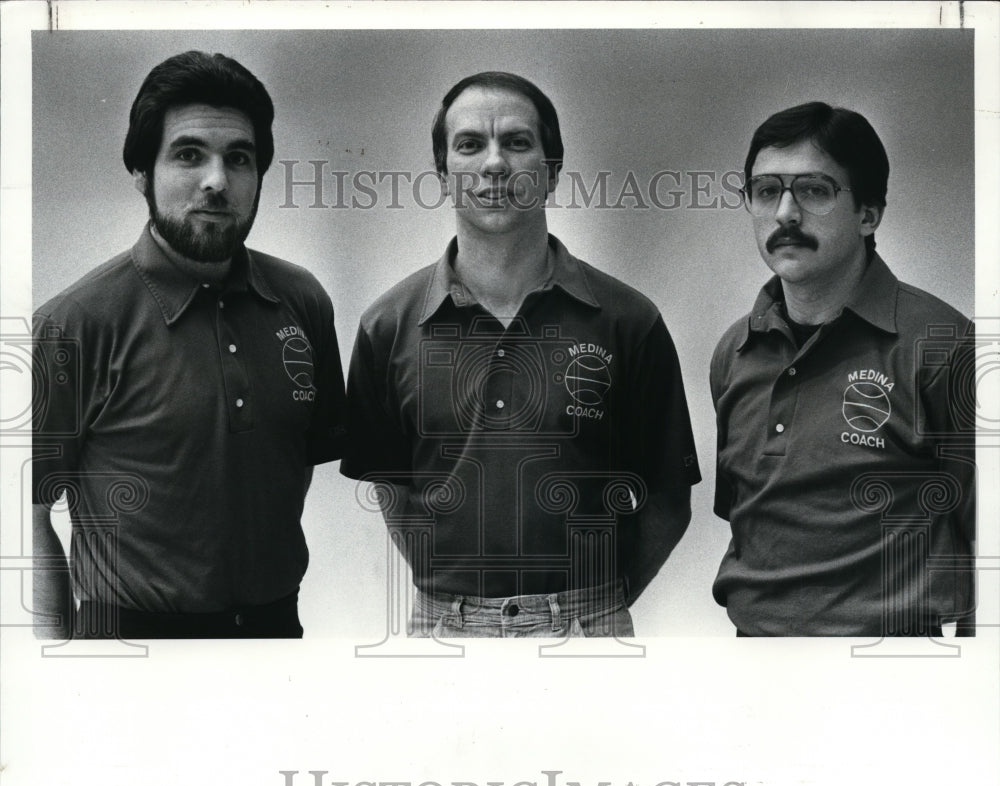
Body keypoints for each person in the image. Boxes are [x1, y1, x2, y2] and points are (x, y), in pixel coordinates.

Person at [341, 71, 700, 637]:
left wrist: (595, 605)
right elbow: (390, 485)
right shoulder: (387, 327)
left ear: (551, 171)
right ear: (443, 173)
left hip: (587, 625)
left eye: (516, 142)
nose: (494, 165)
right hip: (444, 629)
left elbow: (668, 497)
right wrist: (455, 597)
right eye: (470, 145)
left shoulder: (630, 322)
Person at [32, 51, 347, 639]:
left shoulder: (303, 301)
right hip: (128, 645)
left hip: (275, 636)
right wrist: (52, 672)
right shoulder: (71, 326)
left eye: (239, 158)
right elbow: (24, 516)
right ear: (141, 173)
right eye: (188, 154)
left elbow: (292, 460)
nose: (217, 181)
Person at [711, 101, 976, 636]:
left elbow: (985, 533)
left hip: (889, 670)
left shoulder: (942, 345)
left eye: (813, 190)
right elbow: (750, 521)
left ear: (868, 212)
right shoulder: (734, 351)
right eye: (766, 192)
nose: (785, 214)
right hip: (750, 666)